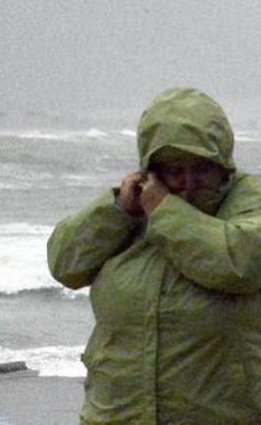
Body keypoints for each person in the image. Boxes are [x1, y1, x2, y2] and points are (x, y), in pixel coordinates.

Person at [47, 88, 261, 424]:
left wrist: (164, 211)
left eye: (202, 169)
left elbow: (237, 262)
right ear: (150, 169)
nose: (187, 183)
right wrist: (116, 210)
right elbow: (64, 265)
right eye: (174, 170)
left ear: (223, 164)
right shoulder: (134, 210)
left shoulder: (249, 201)